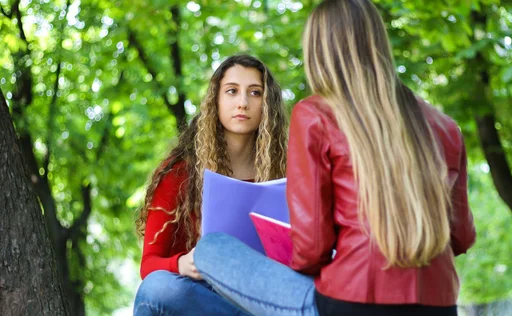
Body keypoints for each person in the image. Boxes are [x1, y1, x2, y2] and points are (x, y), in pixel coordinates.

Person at [194, 1, 476, 315]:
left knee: (212, 248)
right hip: (439, 304)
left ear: (319, 51)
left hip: (349, 302)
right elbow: (461, 238)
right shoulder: (446, 128)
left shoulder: (315, 114)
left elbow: (312, 248)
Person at [133, 54, 288, 316]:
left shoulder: (285, 174)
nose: (243, 102)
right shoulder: (179, 172)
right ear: (215, 100)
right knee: (156, 288)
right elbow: (149, 265)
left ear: (267, 104)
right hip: (199, 297)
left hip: (262, 297)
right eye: (232, 91)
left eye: (255, 92)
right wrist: (182, 264)